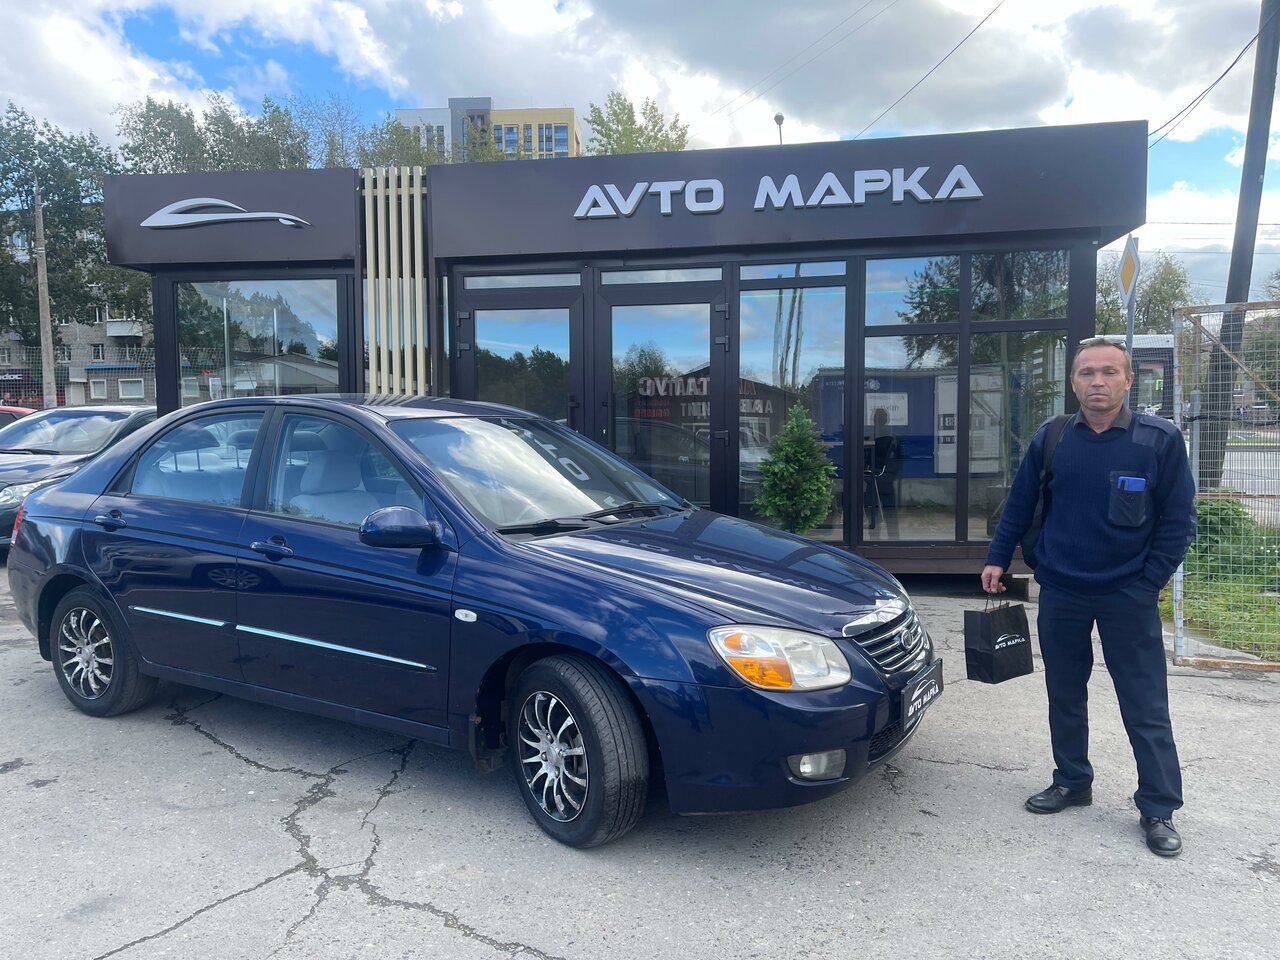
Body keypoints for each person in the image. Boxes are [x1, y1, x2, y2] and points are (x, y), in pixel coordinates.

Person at [981, 337, 1196, 858]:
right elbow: (1021, 502)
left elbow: (1178, 522)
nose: (1097, 381)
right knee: (1064, 693)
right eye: (1086, 373)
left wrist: (1148, 583)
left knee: (1144, 704)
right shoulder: (1053, 437)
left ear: (1128, 380)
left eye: (1109, 372)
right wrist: (997, 557)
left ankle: (1158, 807)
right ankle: (1072, 781)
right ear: (1074, 381)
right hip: (1062, 590)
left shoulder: (1158, 441)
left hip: (1128, 595)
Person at [864, 407, 901, 535]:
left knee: (876, 510)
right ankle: (890, 537)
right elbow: (899, 459)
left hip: (878, 477)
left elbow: (898, 459)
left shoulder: (879, 437)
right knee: (884, 511)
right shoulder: (891, 437)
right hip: (881, 477)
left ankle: (880, 536)